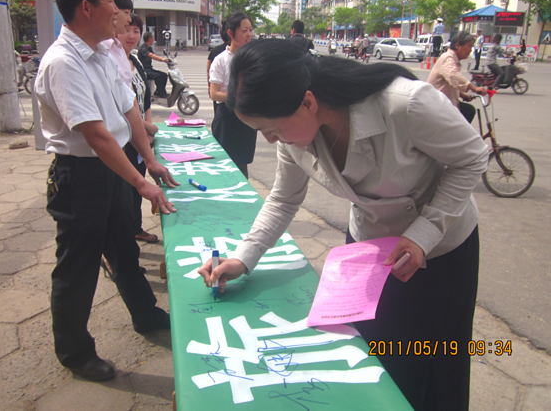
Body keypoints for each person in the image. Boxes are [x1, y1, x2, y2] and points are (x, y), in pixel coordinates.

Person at [199, 39, 489, 411]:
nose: (270, 140)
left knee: (436, 358)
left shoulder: (407, 103)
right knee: (377, 353)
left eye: (270, 129)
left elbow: (471, 159)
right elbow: (284, 198)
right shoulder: (295, 136)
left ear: (307, 102)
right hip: (371, 249)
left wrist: (423, 235)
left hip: (441, 247)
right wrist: (244, 257)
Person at [35, 0, 179, 382]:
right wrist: (140, 183)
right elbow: (96, 135)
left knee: (124, 249)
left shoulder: (102, 53)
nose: (117, 10)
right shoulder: (63, 62)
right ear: (86, 8)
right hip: (81, 176)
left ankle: (145, 314)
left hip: (117, 169)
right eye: (109, 1)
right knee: (77, 266)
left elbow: (128, 110)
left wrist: (149, 160)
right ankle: (75, 352)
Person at [103, 0, 159, 245]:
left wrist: (146, 137)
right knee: (121, 200)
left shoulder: (131, 60)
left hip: (135, 138)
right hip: (116, 145)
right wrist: (146, 127)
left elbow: (140, 100)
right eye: (125, 18)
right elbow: (114, 112)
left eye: (136, 29)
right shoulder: (102, 57)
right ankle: (117, 250)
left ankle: (130, 234)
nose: (129, 30)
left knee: (132, 194)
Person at [208, 12, 256, 178]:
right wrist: (237, 98)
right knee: (224, 167)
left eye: (250, 30)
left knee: (242, 166)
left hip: (246, 118)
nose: (249, 34)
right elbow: (214, 93)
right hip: (227, 119)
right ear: (231, 33)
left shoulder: (254, 59)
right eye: (244, 30)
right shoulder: (221, 60)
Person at [427, 31, 487, 123]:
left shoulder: (453, 60)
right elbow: (453, 75)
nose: (470, 50)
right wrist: (474, 88)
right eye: (469, 46)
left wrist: (463, 95)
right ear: (458, 45)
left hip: (444, 102)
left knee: (469, 110)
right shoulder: (448, 58)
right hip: (437, 104)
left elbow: (450, 84)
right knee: (466, 114)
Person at [138, 31, 170, 98]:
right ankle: (162, 93)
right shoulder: (143, 48)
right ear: (150, 39)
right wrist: (162, 59)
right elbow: (151, 55)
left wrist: (165, 60)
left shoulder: (149, 48)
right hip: (144, 70)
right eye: (153, 38)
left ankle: (158, 91)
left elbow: (155, 56)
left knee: (164, 75)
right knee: (157, 76)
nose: (153, 40)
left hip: (149, 69)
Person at [207, 21, 230, 108]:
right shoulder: (221, 58)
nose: (249, 34)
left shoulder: (214, 51)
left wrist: (209, 86)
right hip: (224, 102)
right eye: (244, 30)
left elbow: (208, 70)